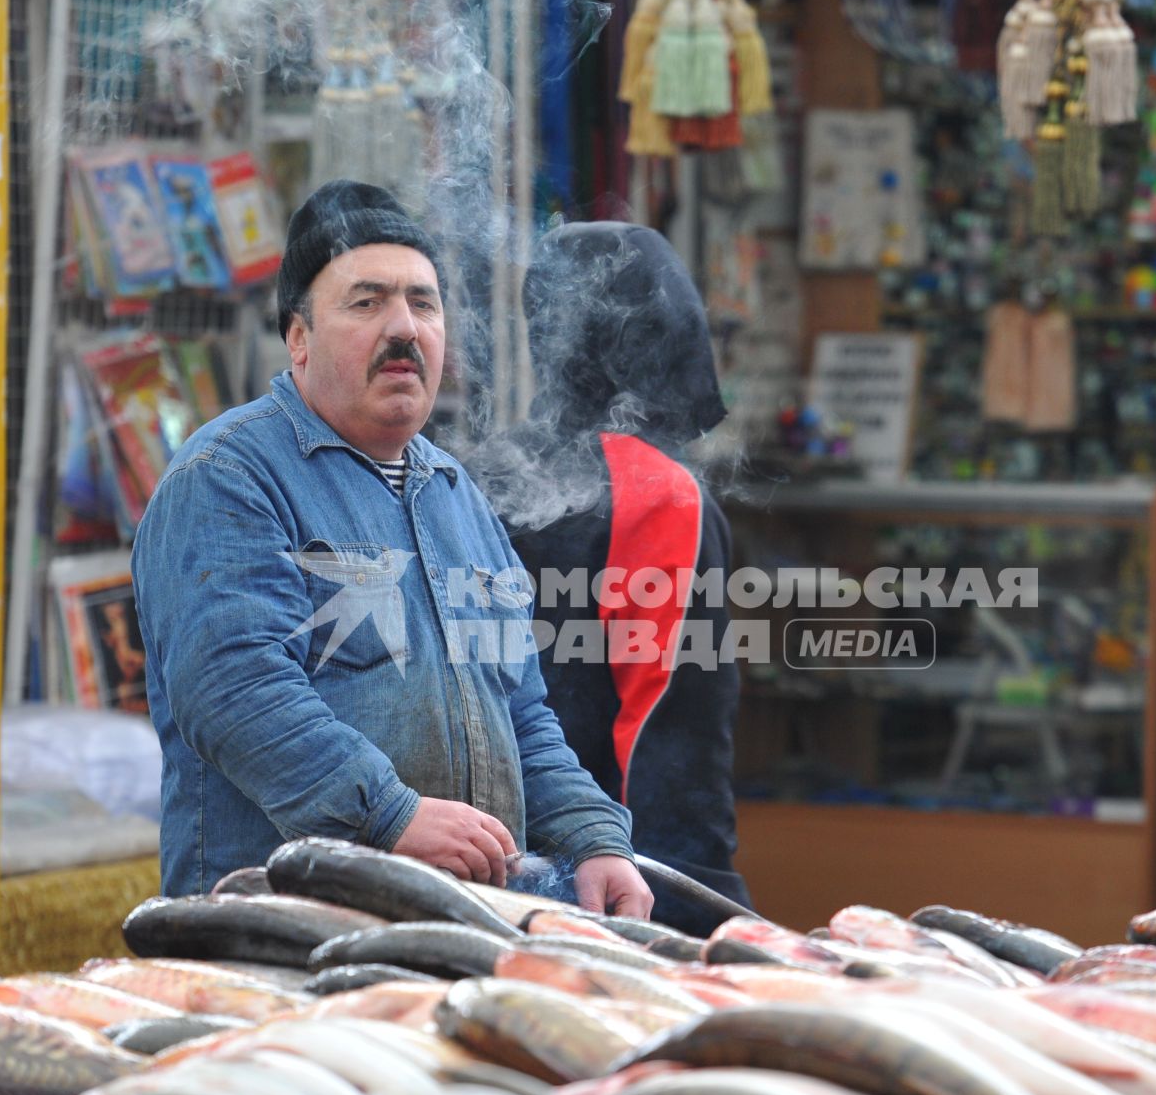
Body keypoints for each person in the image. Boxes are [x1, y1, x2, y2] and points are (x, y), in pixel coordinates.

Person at [131, 179, 654, 918]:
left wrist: (596, 839)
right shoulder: (228, 477)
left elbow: (524, 714)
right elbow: (234, 688)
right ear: (299, 337)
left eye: (423, 302)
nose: (404, 328)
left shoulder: (456, 496)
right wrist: (388, 815)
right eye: (367, 301)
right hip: (280, 929)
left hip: (456, 924)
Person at [471, 221, 751, 923]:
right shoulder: (658, 490)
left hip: (483, 863)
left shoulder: (477, 475)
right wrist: (697, 898)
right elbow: (669, 720)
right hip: (613, 879)